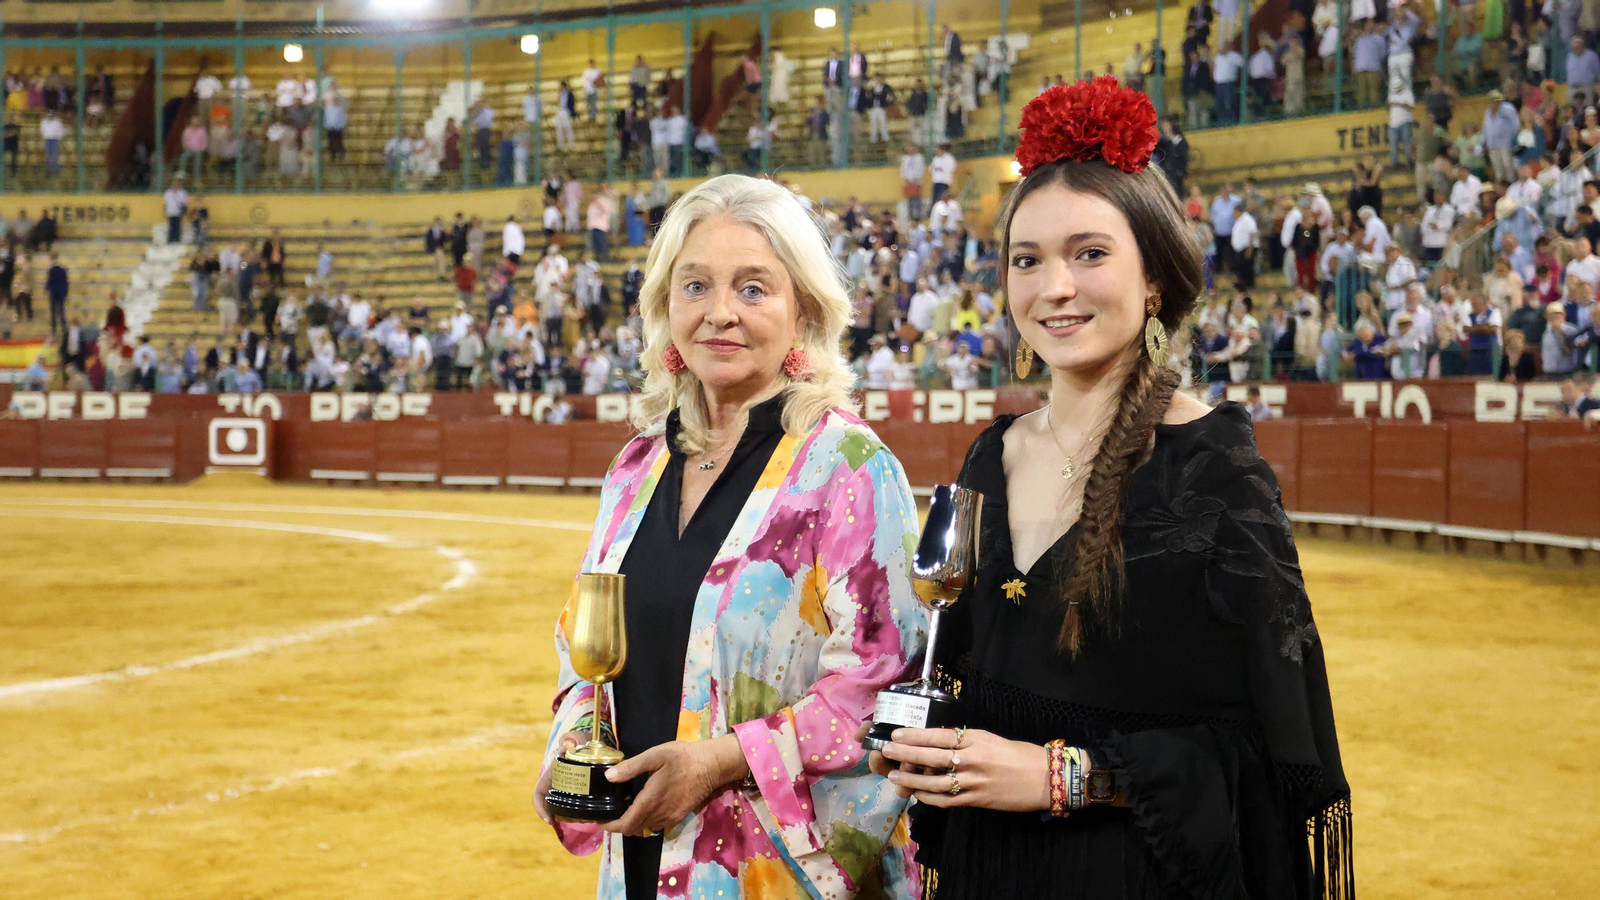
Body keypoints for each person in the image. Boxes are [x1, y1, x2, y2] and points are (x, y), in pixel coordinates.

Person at [870, 79, 1350, 900]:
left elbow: (1272, 762)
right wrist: (920, 735)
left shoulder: (1218, 474)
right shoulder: (992, 455)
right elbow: (965, 673)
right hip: (992, 872)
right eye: (1028, 260)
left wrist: (1065, 777)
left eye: (1089, 253)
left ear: (1155, 278)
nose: (1054, 286)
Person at [534, 174, 925, 900]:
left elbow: (885, 691)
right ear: (665, 307)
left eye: (753, 289)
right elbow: (582, 648)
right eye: (695, 287)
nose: (721, 314)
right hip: (642, 861)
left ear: (802, 309)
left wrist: (719, 760)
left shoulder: (849, 468)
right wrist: (572, 750)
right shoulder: (636, 468)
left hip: (771, 874)